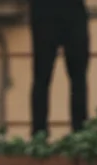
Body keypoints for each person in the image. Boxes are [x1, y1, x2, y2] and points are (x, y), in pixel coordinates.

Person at [29, 0, 89, 135]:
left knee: (77, 79)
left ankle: (79, 132)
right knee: (43, 78)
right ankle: (40, 134)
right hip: (49, 12)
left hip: (54, 12)